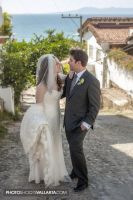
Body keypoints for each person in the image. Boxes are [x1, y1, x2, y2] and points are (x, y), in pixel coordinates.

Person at [20, 54, 70, 187]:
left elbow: (71, 77)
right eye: (56, 64)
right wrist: (40, 122)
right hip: (46, 117)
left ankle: (57, 170)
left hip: (56, 117)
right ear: (49, 67)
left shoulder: (59, 79)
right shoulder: (42, 86)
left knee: (55, 142)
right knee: (45, 144)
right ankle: (42, 173)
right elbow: (38, 106)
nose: (59, 65)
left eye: (58, 63)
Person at [62, 49, 101, 192]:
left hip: (80, 125)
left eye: (71, 60)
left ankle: (83, 181)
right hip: (68, 122)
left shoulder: (92, 81)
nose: (68, 62)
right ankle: (75, 171)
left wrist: (86, 123)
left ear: (78, 62)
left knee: (76, 150)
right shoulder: (71, 76)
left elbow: (95, 106)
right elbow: (64, 94)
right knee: (73, 150)